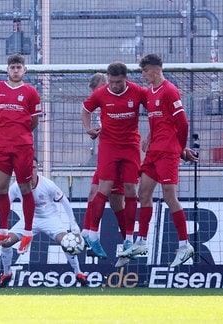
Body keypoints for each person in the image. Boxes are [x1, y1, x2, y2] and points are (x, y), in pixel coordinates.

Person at [119, 53, 198, 267]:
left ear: (155, 69)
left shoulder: (170, 91)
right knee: (143, 192)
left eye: (145, 71)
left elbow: (182, 123)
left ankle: (185, 245)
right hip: (154, 151)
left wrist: (180, 148)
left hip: (168, 152)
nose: (143, 75)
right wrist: (150, 137)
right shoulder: (151, 93)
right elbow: (159, 120)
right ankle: (142, 241)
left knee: (169, 196)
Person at [81, 62, 146, 267]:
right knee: (102, 188)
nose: (115, 86)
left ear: (126, 78)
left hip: (130, 146)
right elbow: (85, 109)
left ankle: (128, 239)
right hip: (109, 146)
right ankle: (91, 234)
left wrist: (152, 135)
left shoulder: (138, 92)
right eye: (111, 82)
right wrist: (88, 128)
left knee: (130, 191)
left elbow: (155, 109)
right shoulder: (101, 94)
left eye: (118, 82)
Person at [0, 158, 88, 287]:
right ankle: (7, 274)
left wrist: (72, 222)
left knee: (67, 241)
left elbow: (64, 201)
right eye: (29, 168)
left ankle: (78, 272)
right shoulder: (17, 185)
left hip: (50, 220)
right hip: (28, 221)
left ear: (37, 169)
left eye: (34, 168)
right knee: (5, 242)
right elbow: (5, 204)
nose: (31, 171)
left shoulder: (47, 184)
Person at [0, 53, 42, 255]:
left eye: (19, 67)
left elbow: (34, 122)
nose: (16, 70)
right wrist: (2, 135)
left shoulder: (31, 92)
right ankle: (2, 231)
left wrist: (20, 134)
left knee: (25, 188)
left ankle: (27, 233)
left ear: (24, 70)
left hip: (22, 148)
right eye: (13, 67)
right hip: (1, 146)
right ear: (7, 69)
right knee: (1, 188)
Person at [81, 73, 128, 262]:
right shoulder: (101, 103)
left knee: (117, 203)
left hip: (121, 157)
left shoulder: (120, 97)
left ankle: (128, 241)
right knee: (93, 192)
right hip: (107, 157)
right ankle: (87, 233)